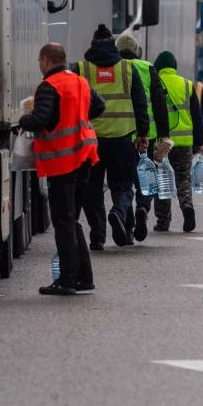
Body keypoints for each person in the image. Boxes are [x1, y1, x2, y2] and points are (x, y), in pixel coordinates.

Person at [19, 43, 103, 296]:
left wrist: (23, 119)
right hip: (85, 156)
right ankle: (83, 278)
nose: (39, 65)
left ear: (46, 60)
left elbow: (41, 118)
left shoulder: (49, 86)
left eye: (39, 61)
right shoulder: (80, 82)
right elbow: (99, 107)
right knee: (72, 220)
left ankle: (67, 280)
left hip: (63, 160)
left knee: (63, 222)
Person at [76, 25, 150, 249]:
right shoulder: (127, 69)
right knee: (123, 186)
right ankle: (118, 212)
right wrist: (143, 134)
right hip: (122, 139)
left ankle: (98, 236)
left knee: (93, 190)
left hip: (91, 142)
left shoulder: (82, 69)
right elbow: (140, 103)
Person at [115, 33, 171, 243]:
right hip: (146, 134)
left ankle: (127, 226)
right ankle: (142, 208)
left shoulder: (116, 67)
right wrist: (164, 134)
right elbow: (159, 103)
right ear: (137, 50)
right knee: (146, 179)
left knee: (124, 181)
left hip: (120, 133)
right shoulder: (148, 67)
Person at [151, 51, 203, 233]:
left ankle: (163, 222)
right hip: (184, 142)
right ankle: (187, 207)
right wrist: (199, 141)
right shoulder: (187, 85)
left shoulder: (155, 82)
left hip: (163, 143)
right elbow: (196, 117)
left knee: (163, 180)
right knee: (183, 178)